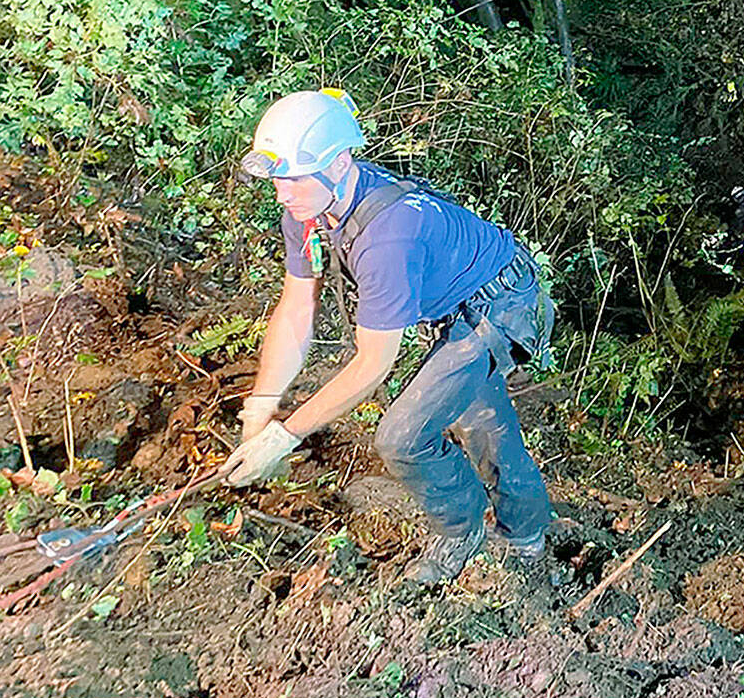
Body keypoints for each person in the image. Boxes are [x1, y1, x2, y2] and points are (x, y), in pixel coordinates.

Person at [221, 89, 555, 584]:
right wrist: (263, 403)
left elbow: (372, 365)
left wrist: (285, 436)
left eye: (291, 179)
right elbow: (296, 309)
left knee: (403, 436)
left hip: (503, 304)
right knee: (481, 418)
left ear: (338, 163)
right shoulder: (309, 211)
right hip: (460, 307)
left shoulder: (388, 234)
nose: (281, 193)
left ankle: (466, 533)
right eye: (277, 180)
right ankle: (526, 534)